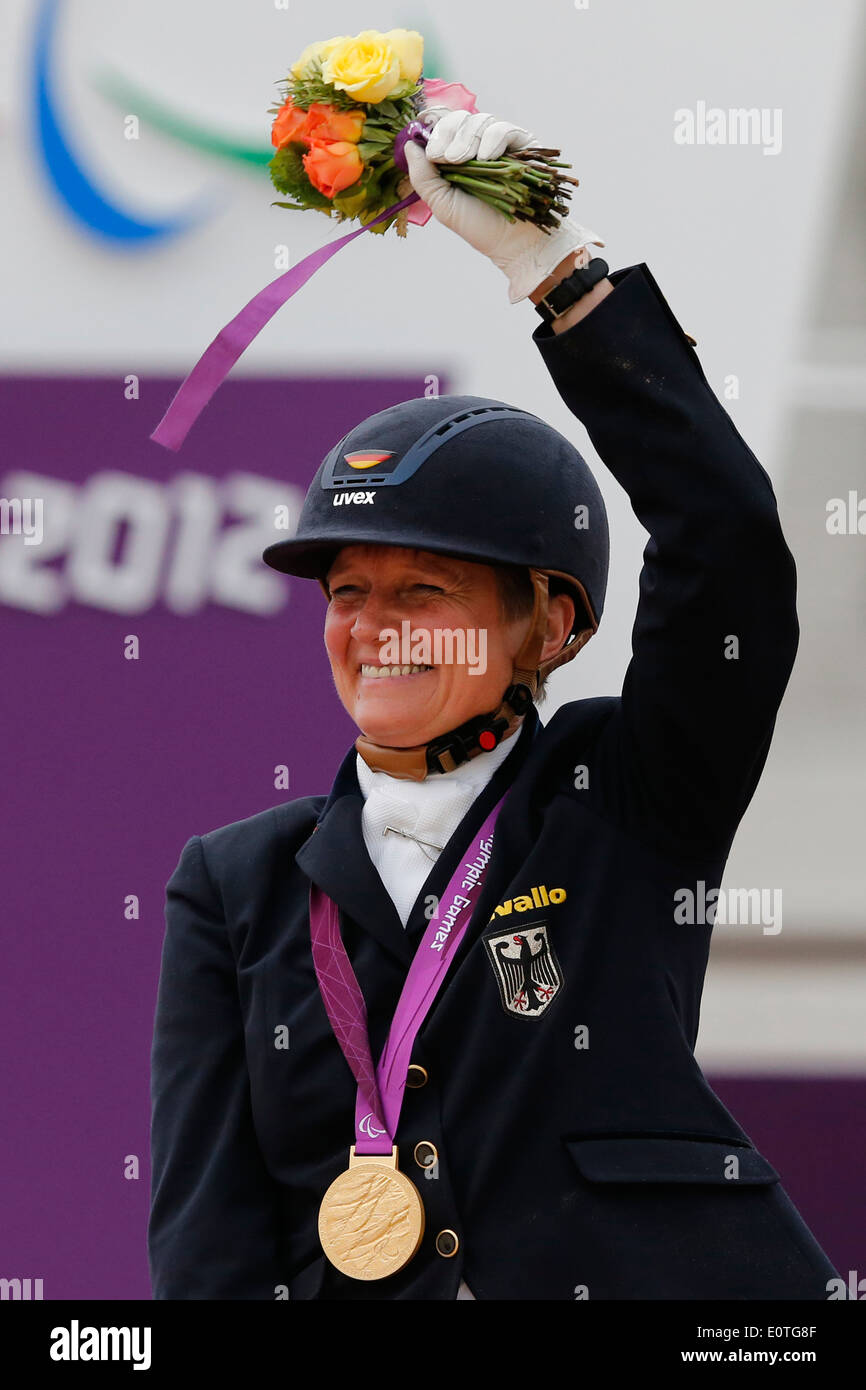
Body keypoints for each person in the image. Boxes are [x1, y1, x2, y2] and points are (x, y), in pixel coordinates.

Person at [147, 108, 841, 1299]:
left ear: (551, 625)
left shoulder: (629, 790)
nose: (373, 628)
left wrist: (556, 278)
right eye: (349, 592)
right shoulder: (234, 882)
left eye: (423, 590)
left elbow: (722, 540)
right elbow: (207, 1241)